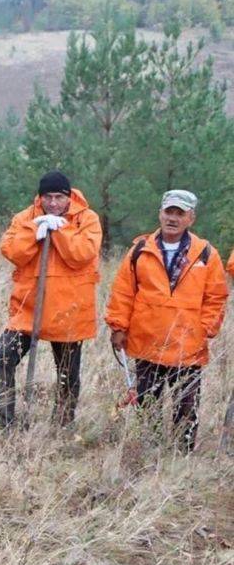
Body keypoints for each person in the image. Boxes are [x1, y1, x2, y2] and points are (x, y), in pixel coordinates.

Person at [106, 190, 228, 451]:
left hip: (188, 347)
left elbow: (216, 296)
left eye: (179, 213)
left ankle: (181, 457)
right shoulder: (140, 249)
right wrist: (118, 326)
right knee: (147, 404)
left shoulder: (206, 254)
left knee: (187, 408)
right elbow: (123, 292)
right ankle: (147, 452)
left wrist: (204, 329)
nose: (172, 218)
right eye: (168, 212)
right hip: (147, 342)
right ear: (160, 213)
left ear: (191, 218)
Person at [0, 171, 102, 427]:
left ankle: (62, 425)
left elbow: (83, 253)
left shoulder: (88, 219)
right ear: (40, 197)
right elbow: (11, 251)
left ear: (69, 196)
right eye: (47, 197)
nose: (52, 203)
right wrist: (35, 232)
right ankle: (2, 420)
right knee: (1, 356)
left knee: (67, 374)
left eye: (58, 197)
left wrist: (60, 232)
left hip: (68, 310)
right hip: (29, 308)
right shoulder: (26, 217)